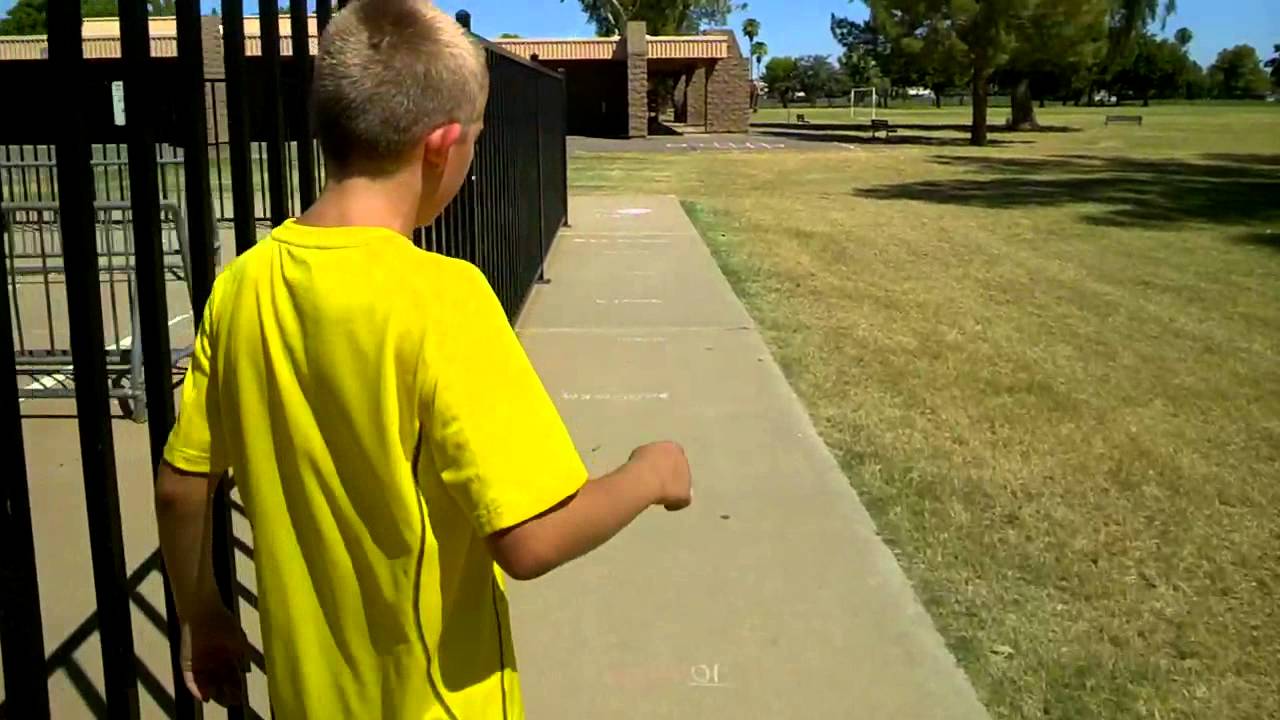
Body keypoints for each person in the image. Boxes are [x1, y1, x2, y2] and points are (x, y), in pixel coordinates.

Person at [152, 1, 693, 717]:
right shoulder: (444, 300)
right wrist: (650, 471)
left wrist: (206, 616)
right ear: (442, 146)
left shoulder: (239, 287)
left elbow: (182, 489)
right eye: (476, 137)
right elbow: (532, 537)